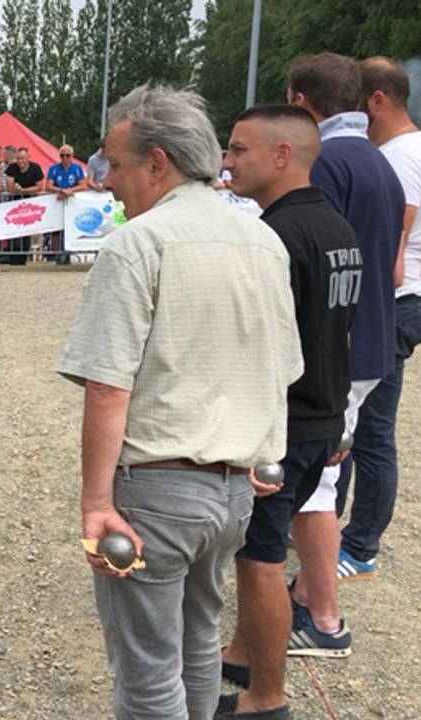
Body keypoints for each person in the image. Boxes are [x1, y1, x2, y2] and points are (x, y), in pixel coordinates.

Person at [56, 85, 303, 720]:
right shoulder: (263, 242)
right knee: (197, 643)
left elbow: (109, 386)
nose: (106, 180)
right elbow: (282, 368)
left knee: (146, 674)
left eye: (115, 163)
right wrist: (263, 453)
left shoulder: (136, 245)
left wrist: (96, 504)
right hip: (234, 492)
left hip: (158, 490)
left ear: (157, 162)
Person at [215, 104, 361, 720]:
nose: (226, 161)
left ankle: (264, 699)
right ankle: (247, 655)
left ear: (282, 155)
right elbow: (339, 333)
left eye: (238, 149)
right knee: (264, 553)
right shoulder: (337, 228)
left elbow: (264, 348)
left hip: (285, 429)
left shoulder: (274, 235)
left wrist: (249, 438)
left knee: (260, 561)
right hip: (320, 418)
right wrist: (339, 421)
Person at [286, 52, 404, 659]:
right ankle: (310, 592)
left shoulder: (328, 162)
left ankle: (322, 616)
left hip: (339, 348)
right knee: (324, 474)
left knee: (315, 481)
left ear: (301, 103)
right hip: (371, 340)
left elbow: (320, 261)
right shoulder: (378, 163)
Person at [334, 55, 421, 583]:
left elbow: (394, 244)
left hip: (395, 301)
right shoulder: (410, 148)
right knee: (367, 423)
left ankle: (360, 543)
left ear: (376, 101)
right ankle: (342, 529)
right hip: (406, 300)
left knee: (368, 428)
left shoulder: (397, 156)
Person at [5, 148, 46, 262]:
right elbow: (9, 186)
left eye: (22, 158)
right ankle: (14, 256)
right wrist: (16, 189)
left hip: (30, 204)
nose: (20, 161)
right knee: (14, 231)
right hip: (14, 204)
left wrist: (23, 190)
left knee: (27, 231)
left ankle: (23, 256)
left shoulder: (36, 168)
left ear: (28, 157)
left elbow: (39, 186)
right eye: (18, 158)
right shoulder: (12, 168)